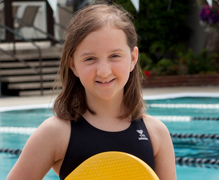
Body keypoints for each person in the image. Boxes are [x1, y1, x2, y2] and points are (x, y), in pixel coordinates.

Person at [6, 2, 176, 180]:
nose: (103, 71)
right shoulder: (55, 133)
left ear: (133, 58)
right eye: (90, 58)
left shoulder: (156, 134)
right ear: (73, 65)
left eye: (114, 56)